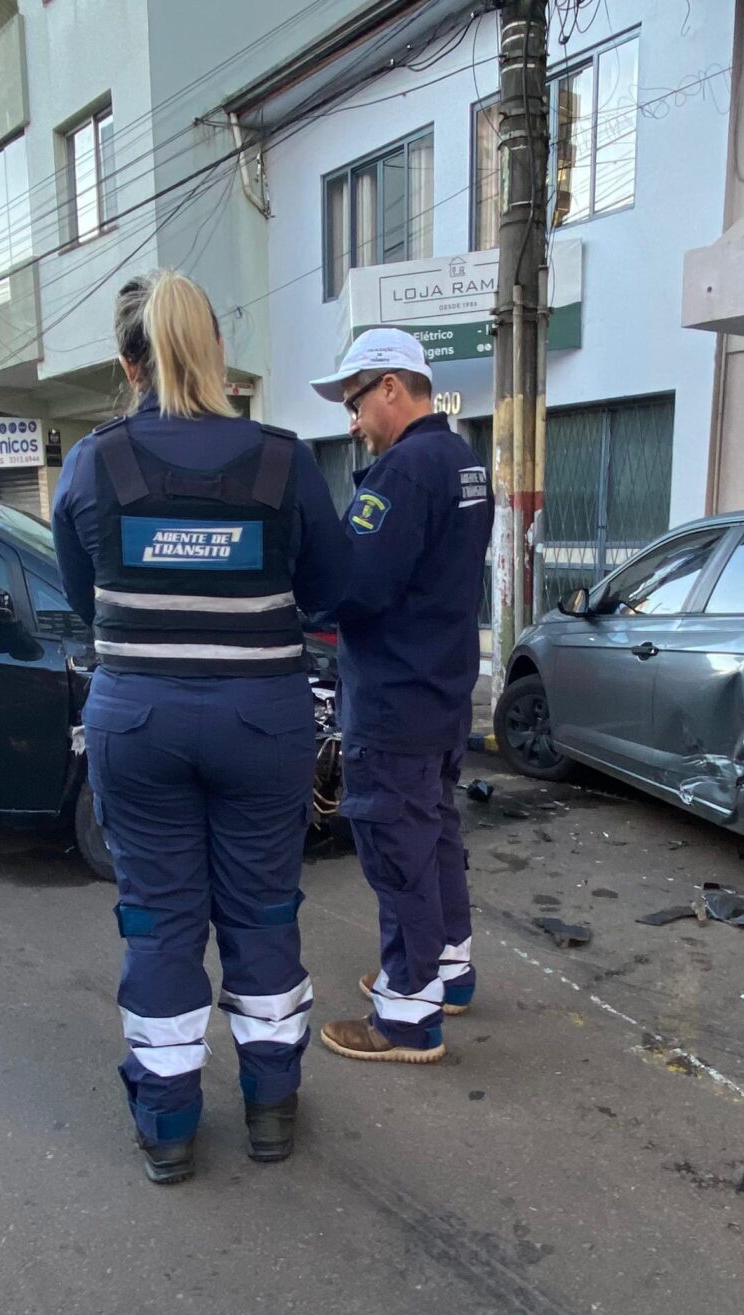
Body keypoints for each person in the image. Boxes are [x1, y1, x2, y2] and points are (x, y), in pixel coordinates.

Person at [52, 270, 348, 1184]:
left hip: (137, 720)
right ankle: (270, 1109)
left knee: (159, 922)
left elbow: (79, 594)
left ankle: (169, 1125)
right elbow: (328, 591)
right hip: (261, 722)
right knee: (262, 911)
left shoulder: (97, 463)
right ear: (217, 352)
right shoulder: (281, 459)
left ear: (126, 362)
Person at [307, 328, 494, 1066]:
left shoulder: (403, 471)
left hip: (394, 696)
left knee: (398, 848)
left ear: (391, 387)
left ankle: (407, 1013)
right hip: (442, 686)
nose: (351, 422)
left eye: (353, 403)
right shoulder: (461, 459)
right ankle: (449, 973)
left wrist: (307, 593)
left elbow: (357, 589)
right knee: (436, 834)